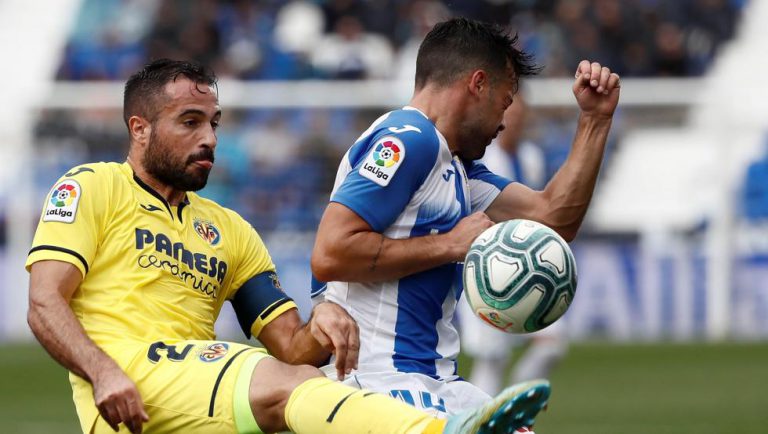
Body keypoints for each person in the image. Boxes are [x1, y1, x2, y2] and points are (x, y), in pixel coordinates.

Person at [26, 58, 549, 434]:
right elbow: (45, 303)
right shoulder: (90, 186)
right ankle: (440, 431)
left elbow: (292, 346)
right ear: (138, 129)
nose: (209, 137)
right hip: (129, 379)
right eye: (189, 122)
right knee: (285, 385)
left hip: (190, 399)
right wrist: (102, 372)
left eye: (213, 123)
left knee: (302, 374)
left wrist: (322, 324)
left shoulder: (231, 230)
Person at [311, 17, 620, 418]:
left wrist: (594, 121)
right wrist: (450, 245)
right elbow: (331, 254)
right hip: (379, 383)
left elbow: (554, 220)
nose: (504, 121)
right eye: (504, 102)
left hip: (434, 382)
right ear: (477, 85)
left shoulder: (456, 166)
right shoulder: (408, 140)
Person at [458, 93, 569, 395]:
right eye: (509, 114)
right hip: (488, 268)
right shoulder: (481, 160)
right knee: (492, 358)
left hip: (529, 265)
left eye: (521, 115)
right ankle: (485, 419)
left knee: (553, 343)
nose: (514, 122)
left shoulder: (531, 157)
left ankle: (514, 399)